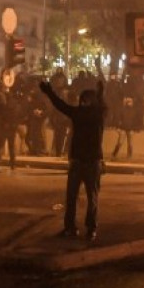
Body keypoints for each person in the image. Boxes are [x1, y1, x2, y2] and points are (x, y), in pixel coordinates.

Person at [39, 73, 107, 241]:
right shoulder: (98, 115)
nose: (81, 103)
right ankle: (88, 228)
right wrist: (100, 92)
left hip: (84, 161)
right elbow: (62, 105)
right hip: (88, 161)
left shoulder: (81, 114)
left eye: (84, 100)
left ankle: (74, 228)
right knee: (89, 197)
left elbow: (60, 105)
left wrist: (49, 92)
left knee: (75, 197)